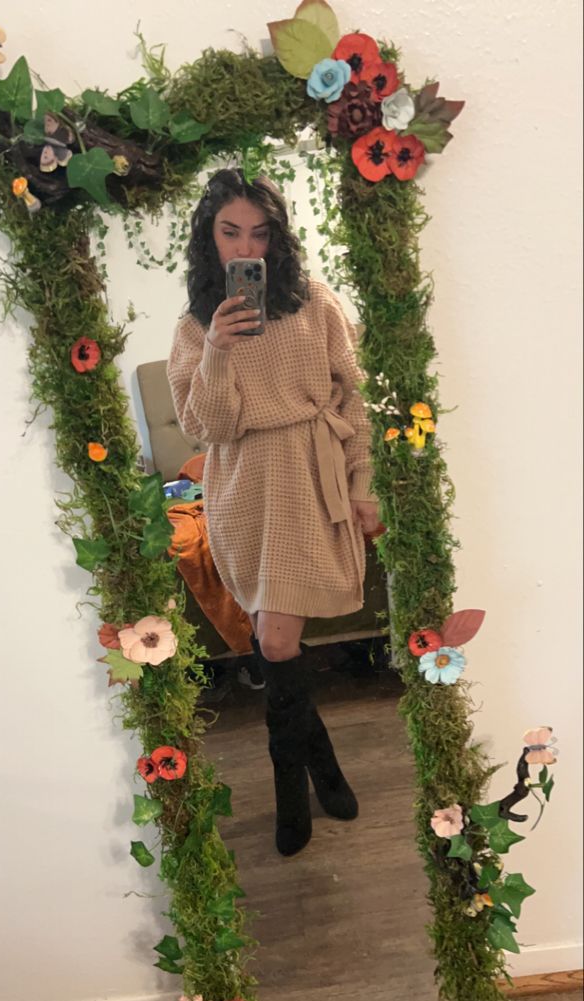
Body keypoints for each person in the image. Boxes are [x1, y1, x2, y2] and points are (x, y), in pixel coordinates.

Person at [166, 168, 381, 858]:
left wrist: (364, 485)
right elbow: (208, 425)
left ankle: (295, 791)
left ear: (277, 237)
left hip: (310, 474)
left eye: (259, 233)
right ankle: (321, 770)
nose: (245, 248)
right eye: (230, 232)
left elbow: (355, 401)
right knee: (275, 639)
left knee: (277, 642)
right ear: (209, 236)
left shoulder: (315, 303)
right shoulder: (197, 326)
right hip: (244, 489)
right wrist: (220, 353)